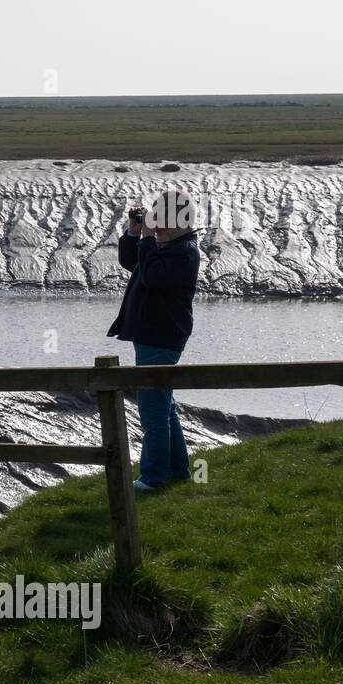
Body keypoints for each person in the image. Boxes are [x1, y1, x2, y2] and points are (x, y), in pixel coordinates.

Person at [107, 189, 202, 492]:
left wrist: (148, 238)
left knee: (153, 411)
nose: (156, 225)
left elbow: (150, 275)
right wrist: (135, 236)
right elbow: (132, 264)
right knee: (165, 405)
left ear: (178, 221)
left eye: (160, 220)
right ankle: (179, 471)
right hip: (154, 335)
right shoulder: (169, 245)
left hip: (160, 337)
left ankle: (152, 478)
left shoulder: (184, 251)